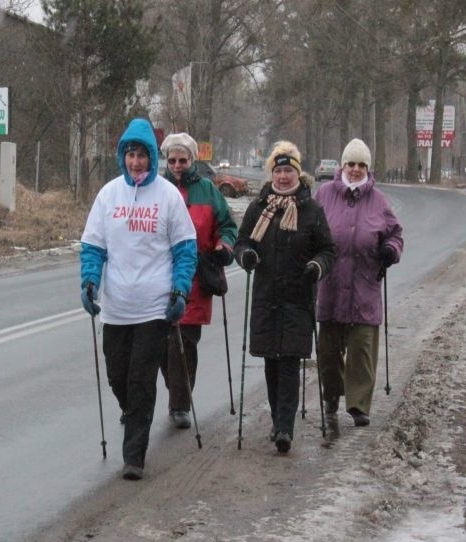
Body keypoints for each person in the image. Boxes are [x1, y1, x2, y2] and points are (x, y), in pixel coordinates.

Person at [80, 118, 197, 480]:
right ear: (123, 156)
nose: (136, 162)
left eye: (142, 155)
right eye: (131, 155)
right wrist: (89, 282)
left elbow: (185, 250)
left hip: (152, 307)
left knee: (141, 380)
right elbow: (93, 247)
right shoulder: (108, 195)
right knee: (117, 376)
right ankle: (137, 416)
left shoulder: (167, 197)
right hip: (115, 308)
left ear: (152, 158)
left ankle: (134, 456)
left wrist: (179, 290)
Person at [234, 141, 335, 454]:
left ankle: (284, 428)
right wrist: (247, 256)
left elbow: (328, 250)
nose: (283, 176)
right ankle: (279, 418)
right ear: (272, 174)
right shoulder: (259, 206)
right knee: (271, 363)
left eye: (288, 170)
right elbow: (242, 243)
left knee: (290, 362)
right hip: (266, 296)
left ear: (298, 173)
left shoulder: (311, 209)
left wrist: (317, 267)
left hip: (298, 296)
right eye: (278, 171)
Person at [315, 138, 403, 427]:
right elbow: (310, 229)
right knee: (327, 350)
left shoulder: (378, 201)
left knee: (361, 350)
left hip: (365, 284)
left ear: (368, 167)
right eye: (350, 164)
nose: (355, 169)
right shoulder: (324, 195)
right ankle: (332, 394)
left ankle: (359, 404)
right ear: (342, 165)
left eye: (361, 165)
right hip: (330, 285)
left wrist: (391, 250)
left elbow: (394, 234)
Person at [158, 133, 238, 429]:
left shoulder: (207, 189)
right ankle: (176, 391)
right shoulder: (158, 188)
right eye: (172, 160)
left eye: (183, 160)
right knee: (159, 345)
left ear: (193, 160)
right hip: (158, 276)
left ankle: (179, 404)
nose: (178, 165)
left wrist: (224, 247)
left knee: (185, 342)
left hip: (195, 277)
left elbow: (228, 226)